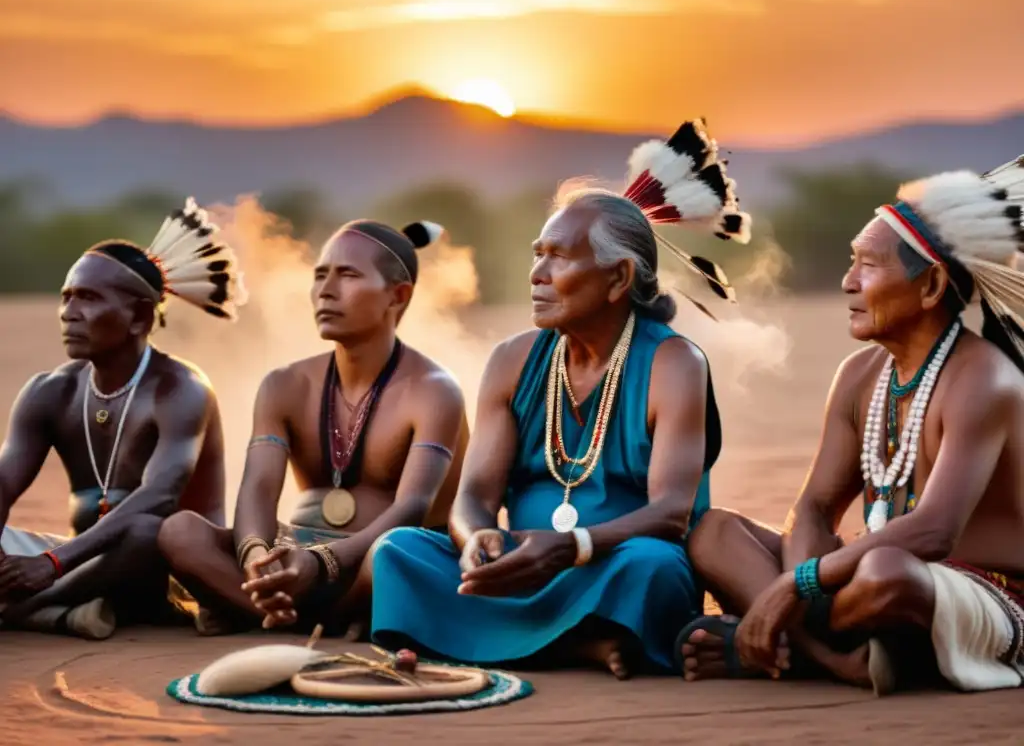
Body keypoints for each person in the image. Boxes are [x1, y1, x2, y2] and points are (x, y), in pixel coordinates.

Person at [370, 120, 752, 678]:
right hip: (517, 561)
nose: (537, 274)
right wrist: (477, 538)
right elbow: (474, 495)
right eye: (536, 254)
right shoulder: (513, 360)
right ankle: (579, 646)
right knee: (399, 551)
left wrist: (568, 547)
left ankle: (509, 637)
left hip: (608, 565)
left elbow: (671, 515)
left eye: (558, 258)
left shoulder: (674, 364)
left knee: (653, 571)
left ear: (619, 278)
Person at [678, 155, 1024, 695]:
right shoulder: (861, 374)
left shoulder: (985, 378)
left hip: (987, 593)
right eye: (850, 261)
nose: (848, 282)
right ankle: (833, 660)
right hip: (859, 580)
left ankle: (777, 645)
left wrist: (796, 585)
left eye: (868, 265)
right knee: (714, 530)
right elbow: (814, 508)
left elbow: (934, 530)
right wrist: (799, 583)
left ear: (930, 286)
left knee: (888, 571)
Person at [158, 219, 468, 636]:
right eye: (320, 275)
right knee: (180, 532)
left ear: (398, 295)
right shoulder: (284, 384)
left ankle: (258, 611)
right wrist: (256, 558)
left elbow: (410, 510)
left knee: (393, 554)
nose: (326, 290)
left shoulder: (434, 391)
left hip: (374, 561)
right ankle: (300, 614)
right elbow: (259, 490)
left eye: (348, 275)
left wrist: (323, 562)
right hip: (296, 552)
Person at [0, 197, 246, 639]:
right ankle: (65, 609)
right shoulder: (49, 391)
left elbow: (159, 496)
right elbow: (3, 482)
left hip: (161, 569)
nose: (68, 312)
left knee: (149, 532)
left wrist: (50, 566)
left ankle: (29, 610)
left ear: (139, 317)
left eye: (88, 298)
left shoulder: (181, 389)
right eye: (66, 297)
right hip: (77, 562)